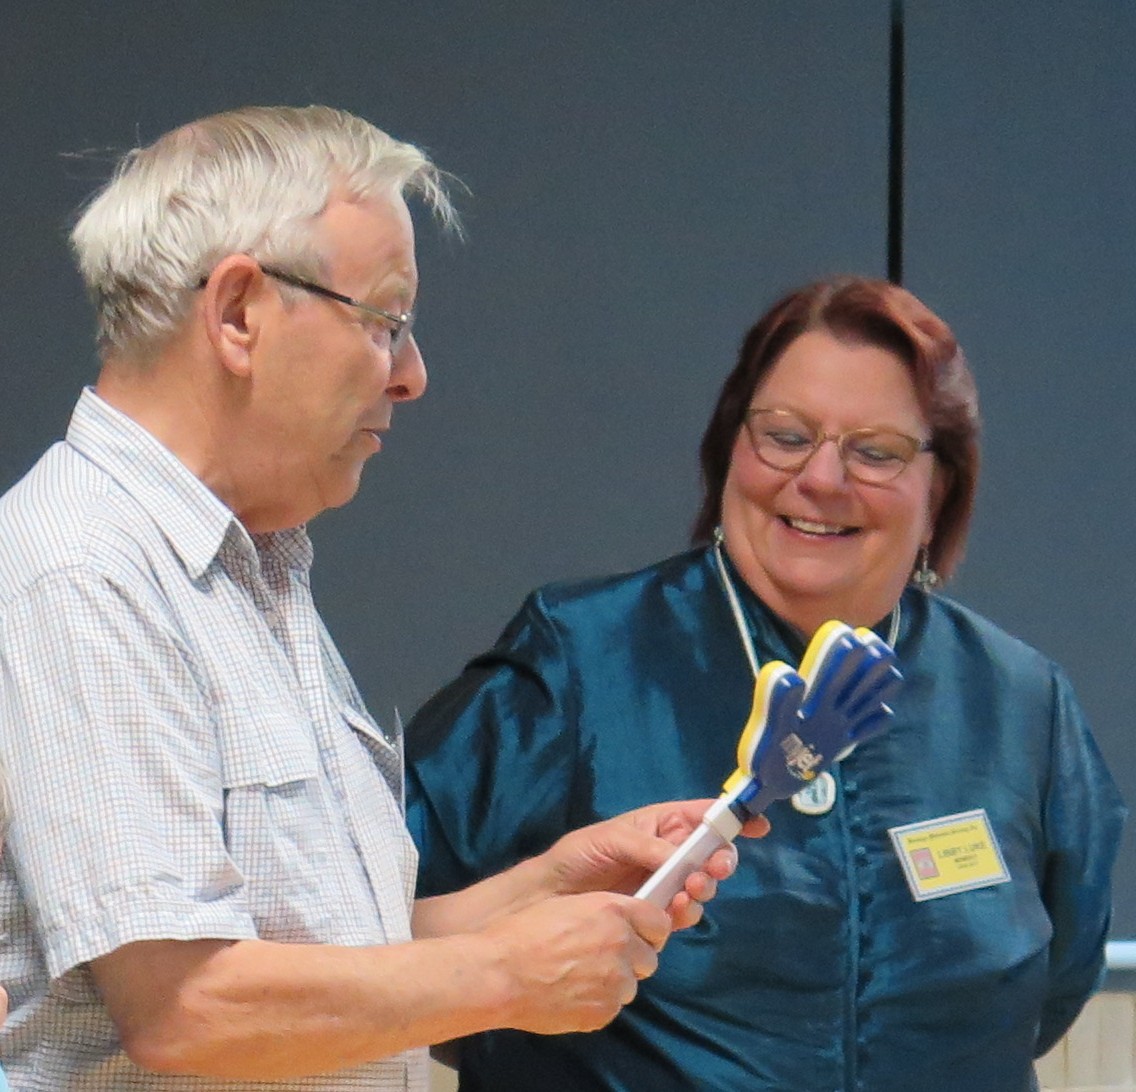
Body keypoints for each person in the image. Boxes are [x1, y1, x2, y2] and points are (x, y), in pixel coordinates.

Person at [0, 105, 765, 1090]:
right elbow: (187, 1005)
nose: (412, 376)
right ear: (238, 314)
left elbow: (321, 958)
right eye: (385, 323)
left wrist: (539, 892)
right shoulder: (86, 571)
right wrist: (503, 975)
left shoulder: (245, 569)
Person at [406, 276, 1127, 1092]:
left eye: (876, 452)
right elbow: (383, 940)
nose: (821, 479)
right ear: (729, 450)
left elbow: (1053, 986)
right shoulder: (580, 661)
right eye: (785, 436)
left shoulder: (1019, 703)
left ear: (941, 491)